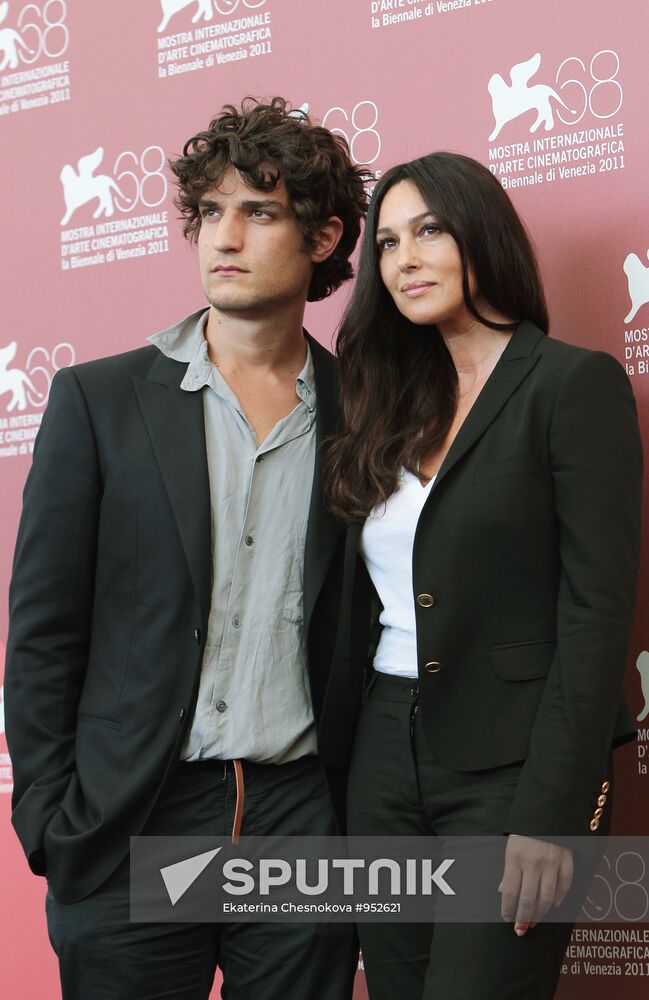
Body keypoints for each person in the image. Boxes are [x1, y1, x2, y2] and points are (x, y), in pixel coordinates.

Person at [5, 97, 369, 1000]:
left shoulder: (365, 417)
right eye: (210, 212)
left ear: (322, 238)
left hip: (298, 816)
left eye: (259, 211)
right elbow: (43, 631)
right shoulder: (100, 401)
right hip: (134, 814)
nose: (224, 237)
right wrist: (52, 819)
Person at [321, 151, 643, 999]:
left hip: (514, 764)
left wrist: (550, 814)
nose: (404, 259)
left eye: (428, 230)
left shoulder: (571, 385)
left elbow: (595, 614)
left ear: (480, 234)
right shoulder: (379, 401)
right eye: (386, 243)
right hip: (382, 757)